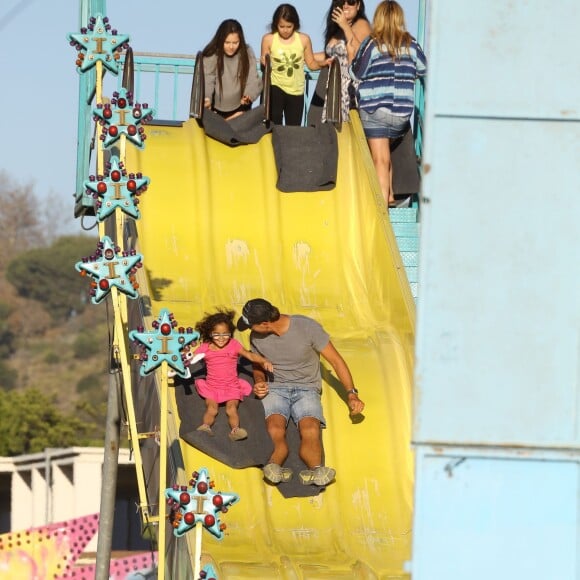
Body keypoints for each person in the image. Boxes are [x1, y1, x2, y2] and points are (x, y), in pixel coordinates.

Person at [236, 298, 365, 486]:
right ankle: (274, 466)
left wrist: (351, 393)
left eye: (251, 325)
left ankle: (316, 470)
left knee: (310, 428)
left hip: (307, 388)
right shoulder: (256, 337)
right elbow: (258, 363)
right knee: (274, 427)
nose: (249, 330)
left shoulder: (307, 328)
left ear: (265, 324)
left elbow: (336, 361)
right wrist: (260, 381)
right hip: (276, 387)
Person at [350, 0, 426, 206]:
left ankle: (381, 209)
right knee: (385, 154)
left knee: (380, 159)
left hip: (374, 109)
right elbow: (423, 68)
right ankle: (391, 195)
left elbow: (356, 72)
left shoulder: (372, 44)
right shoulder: (411, 44)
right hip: (401, 113)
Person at [193, 309, 273, 441]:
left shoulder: (233, 344)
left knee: (231, 409)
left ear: (230, 333)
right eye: (216, 334)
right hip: (212, 386)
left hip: (231, 386)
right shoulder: (205, 347)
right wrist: (175, 368)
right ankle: (205, 426)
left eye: (225, 334)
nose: (221, 338)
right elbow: (191, 360)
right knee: (212, 408)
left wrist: (264, 360)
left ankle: (235, 430)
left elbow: (249, 355)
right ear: (210, 333)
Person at [261, 4, 330, 126]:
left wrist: (323, 64)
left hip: (296, 90)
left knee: (293, 128)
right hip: (276, 85)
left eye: (289, 26)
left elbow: (311, 64)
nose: (285, 30)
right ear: (276, 24)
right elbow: (265, 58)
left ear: (295, 25)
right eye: (281, 26)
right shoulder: (269, 39)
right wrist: (264, 61)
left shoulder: (303, 39)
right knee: (273, 125)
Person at [319, 0, 371, 122]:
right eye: (341, 1)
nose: (346, 5)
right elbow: (329, 56)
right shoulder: (338, 29)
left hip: (351, 89)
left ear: (358, 5)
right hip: (335, 88)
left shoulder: (361, 24)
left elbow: (362, 52)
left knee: (348, 134)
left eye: (351, 2)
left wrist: (345, 26)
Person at [202, 19, 263, 120]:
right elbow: (208, 79)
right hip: (215, 109)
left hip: (240, 108)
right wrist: (207, 98)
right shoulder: (212, 53)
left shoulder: (247, 52)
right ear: (220, 40)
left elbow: (252, 77)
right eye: (227, 42)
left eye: (235, 43)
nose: (231, 47)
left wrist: (249, 95)